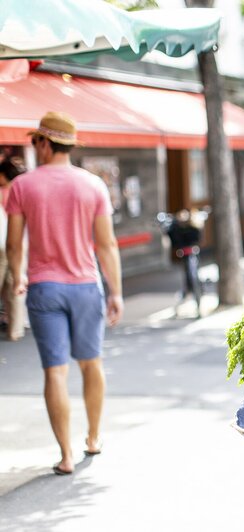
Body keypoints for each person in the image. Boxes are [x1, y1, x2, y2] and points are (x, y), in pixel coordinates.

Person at [5, 111, 124, 475]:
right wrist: (115, 291)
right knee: (92, 365)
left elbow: (13, 245)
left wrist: (18, 275)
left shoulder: (23, 186)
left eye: (34, 141)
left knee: (55, 373)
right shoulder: (92, 186)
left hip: (44, 288)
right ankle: (92, 437)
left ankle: (66, 456)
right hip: (86, 287)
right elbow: (106, 245)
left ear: (44, 143)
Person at [162, 208, 206, 318]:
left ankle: (198, 305)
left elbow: (197, 236)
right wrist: (171, 226)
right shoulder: (176, 228)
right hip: (185, 257)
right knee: (188, 282)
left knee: (194, 279)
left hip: (193, 256)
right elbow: (174, 239)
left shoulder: (194, 227)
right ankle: (184, 305)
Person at [0, 156, 27, 341]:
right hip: (20, 244)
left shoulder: (3, 192)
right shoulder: (22, 191)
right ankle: (15, 330)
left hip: (2, 244)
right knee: (15, 286)